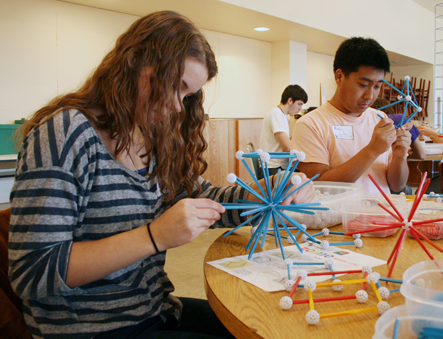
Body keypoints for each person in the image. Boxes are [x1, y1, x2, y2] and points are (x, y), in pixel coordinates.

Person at [8, 11, 315, 339]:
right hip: (92, 329)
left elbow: (201, 200)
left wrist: (264, 196)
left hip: (154, 310)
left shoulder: (148, 134)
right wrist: (153, 236)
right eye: (176, 86)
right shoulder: (64, 133)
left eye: (188, 95)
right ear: (135, 61)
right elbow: (33, 271)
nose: (179, 106)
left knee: (266, 326)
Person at [291, 37, 412, 194]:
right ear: (339, 77)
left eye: (377, 86)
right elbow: (318, 188)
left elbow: (397, 186)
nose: (370, 95)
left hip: (381, 217)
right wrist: (372, 150)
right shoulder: (310, 124)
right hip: (338, 218)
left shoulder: (380, 118)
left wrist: (400, 157)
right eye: (363, 85)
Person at [258, 84, 308, 179]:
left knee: (305, 174)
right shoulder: (276, 114)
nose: (300, 109)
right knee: (306, 176)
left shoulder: (281, 115)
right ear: (290, 100)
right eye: (299, 104)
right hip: (272, 168)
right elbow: (287, 147)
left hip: (277, 166)